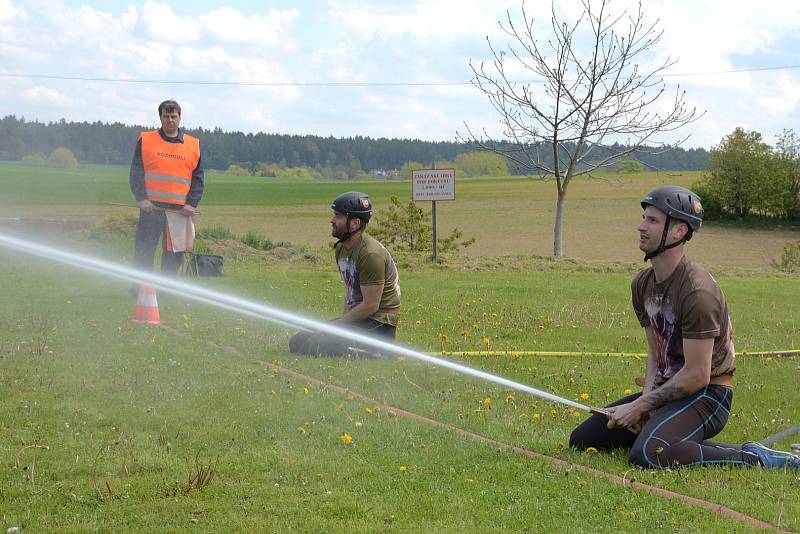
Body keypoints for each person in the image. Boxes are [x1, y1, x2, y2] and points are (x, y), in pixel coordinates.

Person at [570, 185, 800, 470]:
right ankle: (665, 435)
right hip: (669, 391)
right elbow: (657, 353)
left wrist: (641, 407)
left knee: (648, 455)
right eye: (644, 218)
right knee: (583, 439)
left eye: (652, 221)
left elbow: (697, 375)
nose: (641, 226)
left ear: (679, 231)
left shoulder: (697, 292)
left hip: (708, 395)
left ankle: (753, 456)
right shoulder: (642, 284)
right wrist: (645, 402)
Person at [289, 192, 401, 357]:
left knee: (317, 346)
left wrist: (338, 326)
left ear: (354, 223)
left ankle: (380, 352)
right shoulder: (341, 249)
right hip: (360, 321)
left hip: (379, 326)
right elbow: (352, 294)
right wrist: (339, 326)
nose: (332, 220)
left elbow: (371, 305)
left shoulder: (371, 255)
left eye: (338, 216)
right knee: (299, 342)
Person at [129, 99, 204, 278]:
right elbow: (136, 173)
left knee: (174, 254)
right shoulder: (146, 140)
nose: (170, 120)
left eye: (174, 116)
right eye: (166, 116)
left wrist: (191, 204)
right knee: (144, 250)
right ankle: (140, 289)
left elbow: (198, 178)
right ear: (160, 118)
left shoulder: (193, 145)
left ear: (180, 118)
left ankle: (166, 290)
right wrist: (142, 198)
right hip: (151, 208)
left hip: (179, 211)